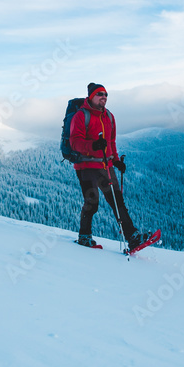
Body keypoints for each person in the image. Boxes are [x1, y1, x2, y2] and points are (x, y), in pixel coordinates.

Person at [68, 83, 151, 250]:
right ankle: (84, 236)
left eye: (106, 94)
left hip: (106, 166)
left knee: (117, 201)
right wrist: (93, 146)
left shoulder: (109, 117)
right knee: (92, 203)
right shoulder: (80, 116)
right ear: (91, 97)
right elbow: (74, 142)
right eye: (100, 94)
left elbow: (111, 142)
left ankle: (132, 237)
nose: (104, 97)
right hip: (86, 167)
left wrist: (116, 160)